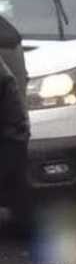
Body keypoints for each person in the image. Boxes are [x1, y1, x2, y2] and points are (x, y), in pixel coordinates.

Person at [0, 16, 31, 236]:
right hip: (14, 133)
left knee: (21, 211)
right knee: (20, 208)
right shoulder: (8, 32)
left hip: (9, 134)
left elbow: (8, 85)